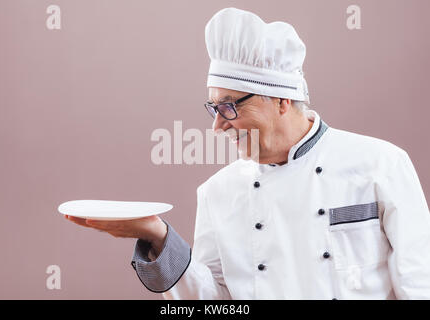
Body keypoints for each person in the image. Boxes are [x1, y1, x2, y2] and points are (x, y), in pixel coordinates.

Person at [65, 7, 430, 299]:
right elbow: (211, 302)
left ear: (282, 100)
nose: (218, 126)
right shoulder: (217, 193)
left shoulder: (381, 164)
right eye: (213, 108)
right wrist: (160, 238)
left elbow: (420, 283)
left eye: (229, 107)